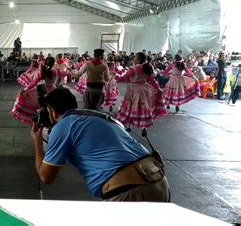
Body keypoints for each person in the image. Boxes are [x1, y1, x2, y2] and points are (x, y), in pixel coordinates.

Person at [30, 87, 169, 201]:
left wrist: (37, 142)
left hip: (128, 191)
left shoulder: (64, 126)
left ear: (53, 112)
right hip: (159, 182)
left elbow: (45, 176)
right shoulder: (101, 116)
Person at [116, 52, 167, 138]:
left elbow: (124, 77)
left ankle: (129, 126)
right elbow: (152, 80)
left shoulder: (133, 69)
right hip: (144, 89)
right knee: (144, 108)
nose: (134, 59)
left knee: (131, 106)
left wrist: (116, 76)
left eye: (135, 57)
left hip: (134, 89)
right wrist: (158, 89)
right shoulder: (147, 67)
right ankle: (144, 127)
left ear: (138, 59)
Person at [11, 57, 57, 125]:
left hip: (41, 90)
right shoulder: (54, 71)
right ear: (53, 63)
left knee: (38, 105)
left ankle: (38, 118)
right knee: (50, 108)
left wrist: (25, 89)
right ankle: (51, 121)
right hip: (52, 91)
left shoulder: (42, 71)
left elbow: (34, 82)